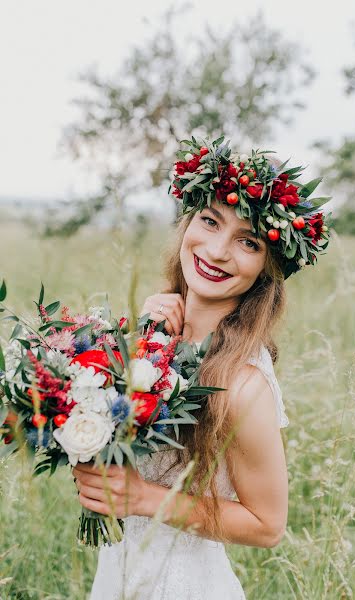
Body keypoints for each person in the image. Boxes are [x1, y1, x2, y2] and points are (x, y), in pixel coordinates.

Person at [73, 136, 330, 599]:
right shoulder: (155, 335)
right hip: (118, 576)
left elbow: (267, 525)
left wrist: (146, 498)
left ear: (267, 267)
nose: (215, 250)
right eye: (210, 220)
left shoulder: (242, 384)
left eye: (247, 241)